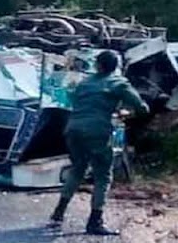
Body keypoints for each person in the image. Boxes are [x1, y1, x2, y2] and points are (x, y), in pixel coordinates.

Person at [48, 50, 150, 236]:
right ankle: (95, 222)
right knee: (103, 175)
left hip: (72, 129)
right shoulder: (119, 83)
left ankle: (57, 214)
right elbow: (142, 108)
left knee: (77, 169)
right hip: (97, 131)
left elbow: (75, 101)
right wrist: (124, 113)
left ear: (97, 65)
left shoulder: (84, 82)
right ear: (116, 66)